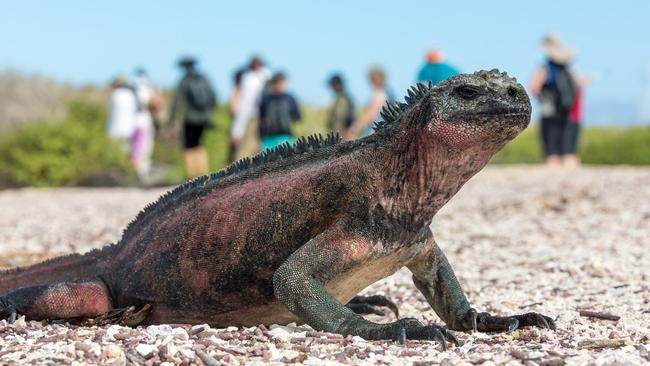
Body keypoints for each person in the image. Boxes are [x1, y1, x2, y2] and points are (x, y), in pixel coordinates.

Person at [529, 34, 580, 167]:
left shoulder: (544, 68)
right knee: (567, 134)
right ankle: (569, 159)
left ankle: (553, 160)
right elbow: (578, 85)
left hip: (549, 108)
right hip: (566, 108)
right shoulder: (568, 70)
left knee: (550, 134)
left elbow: (534, 87)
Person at [168, 56, 217, 179]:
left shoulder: (185, 80)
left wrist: (171, 120)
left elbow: (177, 102)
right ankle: (203, 173)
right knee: (199, 144)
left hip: (190, 118)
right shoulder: (204, 78)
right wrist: (210, 115)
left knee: (189, 146)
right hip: (204, 118)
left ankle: (192, 176)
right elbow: (213, 97)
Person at [230, 56, 270, 161]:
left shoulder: (251, 79)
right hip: (256, 118)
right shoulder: (262, 77)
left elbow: (245, 105)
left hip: (253, 118)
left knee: (247, 150)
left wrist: (237, 130)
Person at [258, 73, 301, 150]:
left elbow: (297, 118)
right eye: (280, 83)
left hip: (287, 137)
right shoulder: (266, 100)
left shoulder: (290, 99)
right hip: (269, 139)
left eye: (284, 83)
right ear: (273, 84)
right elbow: (261, 119)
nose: (282, 86)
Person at [345, 67, 391, 140]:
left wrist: (355, 128)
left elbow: (371, 115)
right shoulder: (386, 92)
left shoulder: (379, 93)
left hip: (376, 131)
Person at [131, 68, 156, 181]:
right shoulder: (147, 89)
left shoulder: (130, 90)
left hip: (134, 123)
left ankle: (138, 173)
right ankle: (141, 173)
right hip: (143, 123)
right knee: (143, 149)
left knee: (136, 150)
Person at [106, 75, 137, 153]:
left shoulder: (115, 94)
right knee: (125, 151)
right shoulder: (131, 95)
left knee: (113, 151)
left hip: (115, 129)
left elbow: (110, 111)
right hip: (128, 129)